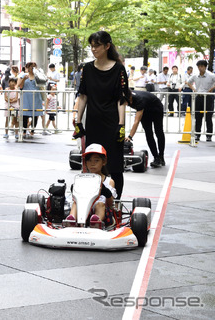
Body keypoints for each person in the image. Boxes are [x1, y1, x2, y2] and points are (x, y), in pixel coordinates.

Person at [74, 30, 129, 198]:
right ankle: (94, 200)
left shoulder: (119, 69)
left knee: (115, 166)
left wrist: (121, 124)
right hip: (93, 123)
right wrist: (78, 121)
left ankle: (115, 201)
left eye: (97, 46)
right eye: (91, 46)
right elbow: (83, 96)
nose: (93, 49)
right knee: (92, 163)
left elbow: (122, 99)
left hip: (112, 123)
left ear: (107, 46)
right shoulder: (87, 69)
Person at [66, 143, 117, 227]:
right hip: (83, 205)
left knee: (99, 204)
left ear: (103, 162)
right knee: (75, 203)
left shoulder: (109, 181)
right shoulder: (82, 179)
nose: (92, 164)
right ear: (85, 163)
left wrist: (107, 193)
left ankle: (96, 223)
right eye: (89, 161)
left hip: (102, 208)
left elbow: (111, 204)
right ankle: (71, 221)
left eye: (96, 160)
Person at [125, 90, 166, 167]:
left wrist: (130, 136)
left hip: (156, 108)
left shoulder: (139, 100)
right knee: (148, 133)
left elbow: (136, 121)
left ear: (130, 98)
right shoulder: (125, 97)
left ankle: (161, 156)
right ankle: (156, 157)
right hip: (145, 111)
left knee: (159, 131)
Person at [187, 59, 215, 142]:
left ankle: (209, 135)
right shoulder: (195, 76)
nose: (200, 68)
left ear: (205, 67)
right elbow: (188, 82)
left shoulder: (211, 75)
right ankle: (197, 134)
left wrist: (211, 90)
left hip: (208, 97)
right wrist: (194, 90)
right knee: (198, 116)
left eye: (202, 66)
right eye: (199, 66)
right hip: (198, 97)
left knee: (208, 116)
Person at [17, 62, 45, 138]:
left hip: (36, 97)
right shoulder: (22, 75)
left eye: (34, 67)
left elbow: (43, 84)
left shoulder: (38, 76)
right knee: (25, 114)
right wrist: (24, 79)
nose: (32, 69)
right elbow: (20, 86)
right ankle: (24, 131)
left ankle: (32, 130)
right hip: (26, 97)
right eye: (31, 67)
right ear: (27, 67)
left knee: (35, 115)